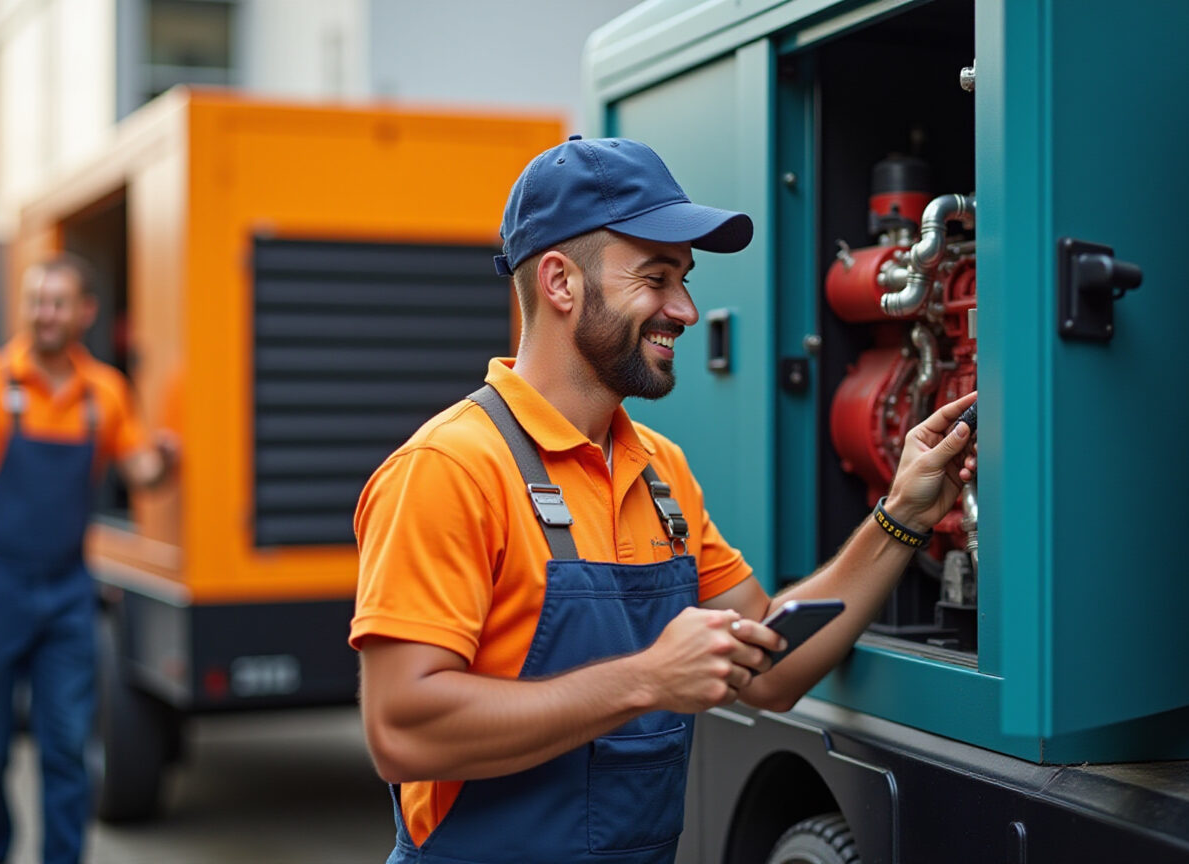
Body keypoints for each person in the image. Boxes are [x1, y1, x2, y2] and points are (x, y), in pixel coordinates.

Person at [350, 136, 978, 864]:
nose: (685, 309)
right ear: (560, 282)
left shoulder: (658, 470)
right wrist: (646, 680)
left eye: (685, 278)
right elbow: (402, 731)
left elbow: (769, 667)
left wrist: (901, 516)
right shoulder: (450, 468)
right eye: (656, 277)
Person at [0, 254, 175, 864]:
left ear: (85, 312)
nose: (44, 313)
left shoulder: (106, 393)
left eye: (58, 302)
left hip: (67, 593)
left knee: (65, 748)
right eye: (36, 300)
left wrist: (170, 455)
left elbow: (141, 471)